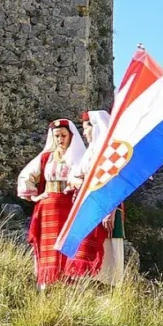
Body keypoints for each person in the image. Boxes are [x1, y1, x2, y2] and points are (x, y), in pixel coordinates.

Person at [17, 119, 91, 288]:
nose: (60, 139)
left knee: (69, 245)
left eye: (63, 135)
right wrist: (34, 196)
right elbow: (25, 176)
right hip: (48, 208)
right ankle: (47, 284)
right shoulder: (46, 158)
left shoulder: (80, 158)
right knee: (48, 246)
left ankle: (69, 285)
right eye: (56, 136)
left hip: (70, 207)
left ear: (71, 136)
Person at [67, 110, 125, 285]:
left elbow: (116, 182)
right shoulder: (90, 153)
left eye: (86, 128)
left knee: (108, 251)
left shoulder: (110, 152)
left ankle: (108, 289)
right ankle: (86, 288)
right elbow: (77, 177)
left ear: (97, 127)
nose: (84, 133)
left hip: (105, 206)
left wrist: (111, 209)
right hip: (86, 205)